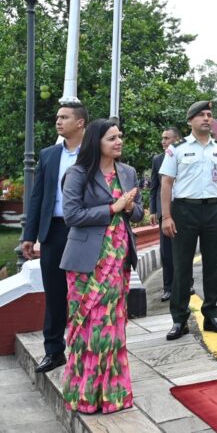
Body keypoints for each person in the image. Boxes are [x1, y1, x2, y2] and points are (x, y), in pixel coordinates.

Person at [59, 118, 143, 413]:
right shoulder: (78, 173)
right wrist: (112, 208)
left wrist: (131, 208)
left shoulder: (128, 172)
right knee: (88, 327)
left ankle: (113, 395)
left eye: (120, 136)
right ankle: (84, 394)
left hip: (119, 259)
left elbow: (138, 213)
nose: (119, 142)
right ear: (97, 142)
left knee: (112, 327)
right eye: (112, 138)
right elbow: (71, 215)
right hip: (86, 263)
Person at [160, 101, 217, 341]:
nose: (206, 118)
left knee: (213, 266)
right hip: (184, 210)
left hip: (214, 210)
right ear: (190, 120)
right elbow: (166, 183)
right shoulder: (177, 149)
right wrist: (166, 216)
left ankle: (211, 316)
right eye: (201, 115)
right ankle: (179, 319)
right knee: (182, 267)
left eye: (209, 115)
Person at [21, 102, 88, 374]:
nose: (58, 122)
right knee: (55, 293)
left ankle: (85, 350)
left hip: (83, 231)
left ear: (80, 122)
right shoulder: (49, 155)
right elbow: (38, 197)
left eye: (64, 117)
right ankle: (53, 351)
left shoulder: (94, 155)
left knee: (84, 292)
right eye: (57, 117)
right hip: (54, 232)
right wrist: (30, 234)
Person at [149, 126, 194, 302]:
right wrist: (153, 210)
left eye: (166, 138)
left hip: (184, 210)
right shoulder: (158, 160)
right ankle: (168, 287)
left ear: (176, 140)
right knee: (166, 252)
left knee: (185, 250)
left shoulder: (187, 156)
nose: (163, 142)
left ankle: (187, 283)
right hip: (164, 211)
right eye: (162, 138)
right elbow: (154, 188)